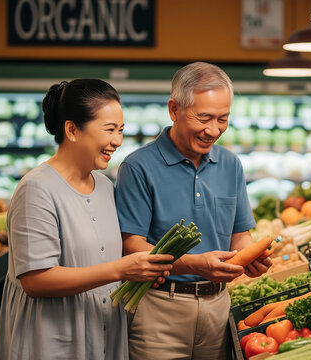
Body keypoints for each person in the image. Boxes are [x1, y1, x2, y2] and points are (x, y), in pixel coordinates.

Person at [0, 79, 173, 360]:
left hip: (103, 334)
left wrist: (145, 270)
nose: (117, 140)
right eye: (110, 130)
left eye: (121, 130)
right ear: (72, 130)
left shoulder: (104, 187)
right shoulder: (36, 189)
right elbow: (36, 280)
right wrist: (122, 270)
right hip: (54, 340)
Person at [115, 62, 272, 359]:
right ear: (174, 110)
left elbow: (240, 233)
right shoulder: (138, 167)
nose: (213, 130)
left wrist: (249, 257)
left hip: (218, 308)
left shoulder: (231, 165)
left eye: (223, 119)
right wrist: (195, 264)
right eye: (204, 118)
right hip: (158, 310)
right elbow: (131, 245)